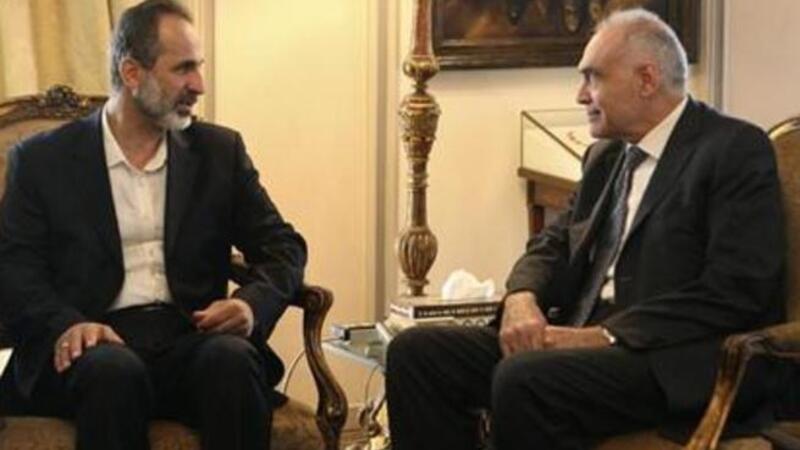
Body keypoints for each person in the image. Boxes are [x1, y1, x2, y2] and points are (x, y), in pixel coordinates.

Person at [386, 8, 784, 450]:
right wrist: (521, 298)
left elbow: (735, 289)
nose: (580, 95)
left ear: (646, 80)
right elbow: (553, 243)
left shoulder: (733, 150)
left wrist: (604, 336)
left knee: (524, 378)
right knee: (417, 353)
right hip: (582, 337)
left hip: (665, 356)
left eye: (593, 78)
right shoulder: (606, 156)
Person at [0, 1, 307, 449]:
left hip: (189, 338)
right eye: (183, 69)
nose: (199, 85)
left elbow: (284, 247)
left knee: (233, 360)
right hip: (93, 344)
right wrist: (66, 324)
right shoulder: (42, 161)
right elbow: (15, 269)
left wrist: (250, 305)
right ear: (131, 72)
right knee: (113, 372)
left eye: (198, 67)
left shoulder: (219, 152)